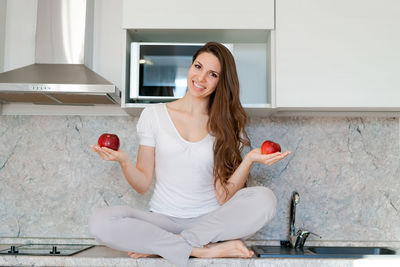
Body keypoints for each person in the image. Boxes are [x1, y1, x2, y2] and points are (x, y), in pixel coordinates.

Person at [89, 42, 291, 267]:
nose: (201, 78)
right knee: (100, 221)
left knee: (265, 199)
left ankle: (167, 246)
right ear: (190, 66)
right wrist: (124, 161)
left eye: (212, 74)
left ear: (220, 82)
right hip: (162, 221)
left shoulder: (225, 125)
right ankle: (203, 252)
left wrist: (250, 159)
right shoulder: (153, 115)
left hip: (209, 223)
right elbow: (142, 184)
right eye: (198, 67)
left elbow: (224, 197)